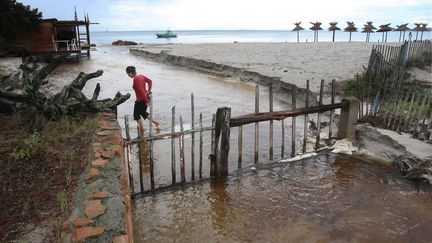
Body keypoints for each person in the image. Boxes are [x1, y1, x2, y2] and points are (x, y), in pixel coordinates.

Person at [126, 66, 160, 137]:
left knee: (136, 115)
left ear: (131, 73)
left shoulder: (135, 79)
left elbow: (141, 91)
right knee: (142, 114)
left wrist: (147, 101)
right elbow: (150, 81)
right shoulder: (141, 76)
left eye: (128, 74)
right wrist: (149, 90)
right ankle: (152, 124)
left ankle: (142, 131)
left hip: (141, 100)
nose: (128, 76)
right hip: (144, 98)